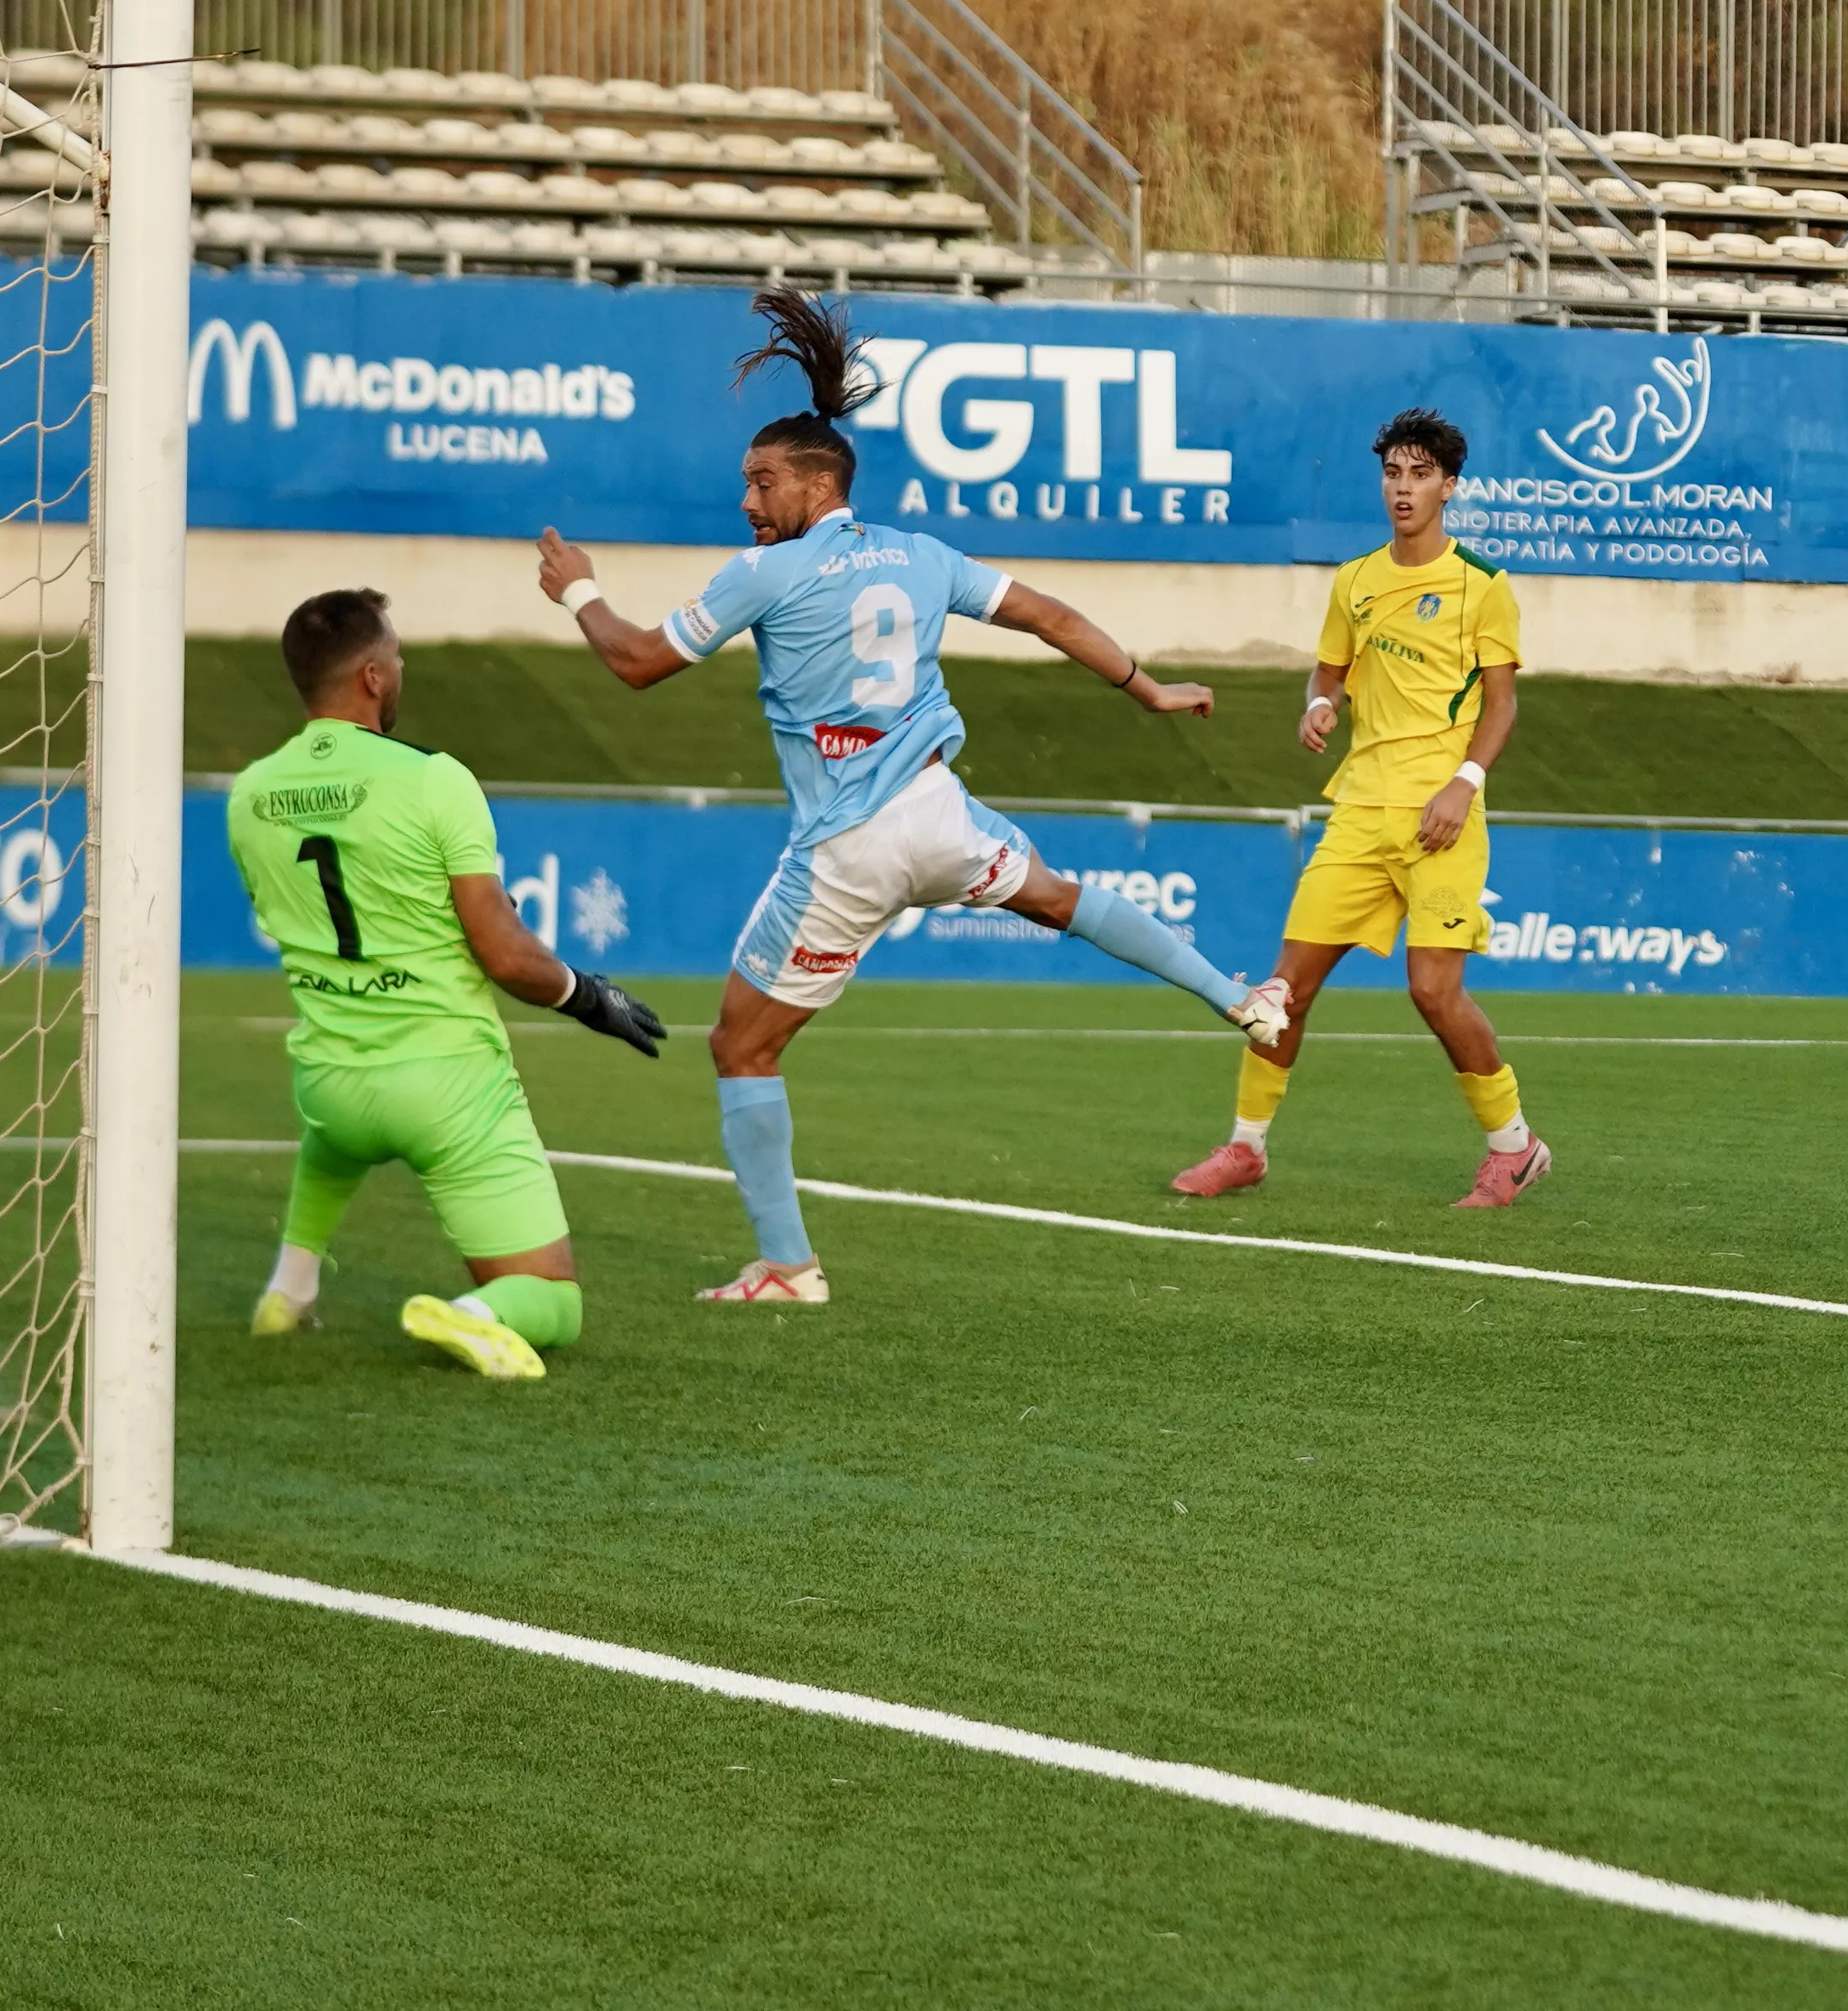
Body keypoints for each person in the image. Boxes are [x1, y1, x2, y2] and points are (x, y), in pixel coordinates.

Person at [536, 290, 1288, 1304]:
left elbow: (632, 662)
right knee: (1062, 900)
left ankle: (788, 1267)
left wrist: (580, 587)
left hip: (847, 848)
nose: (748, 503)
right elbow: (1049, 613)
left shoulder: (765, 572)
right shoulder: (923, 556)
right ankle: (1237, 998)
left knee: (740, 1044)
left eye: (761, 482)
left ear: (816, 480)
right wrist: (1145, 686)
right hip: (940, 817)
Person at [228, 588, 672, 1381]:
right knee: (554, 1301)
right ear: (370, 676)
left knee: (333, 1141)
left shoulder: (250, 793)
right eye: (395, 657)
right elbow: (503, 952)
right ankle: (471, 1316)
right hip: (446, 1087)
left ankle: (288, 1289)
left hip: (328, 1080)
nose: (401, 670)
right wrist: (588, 996)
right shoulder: (435, 779)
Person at [1171, 409, 1550, 1207]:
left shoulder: (1484, 585)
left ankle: (1514, 1148)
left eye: (1419, 475)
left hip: (1443, 816)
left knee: (1433, 992)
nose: (1403, 489)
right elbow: (1327, 675)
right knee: (1282, 993)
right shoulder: (1356, 579)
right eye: (1392, 474)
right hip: (1360, 811)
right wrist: (1318, 707)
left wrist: (1464, 785)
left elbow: (1503, 707)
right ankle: (1245, 1148)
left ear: (1450, 486)